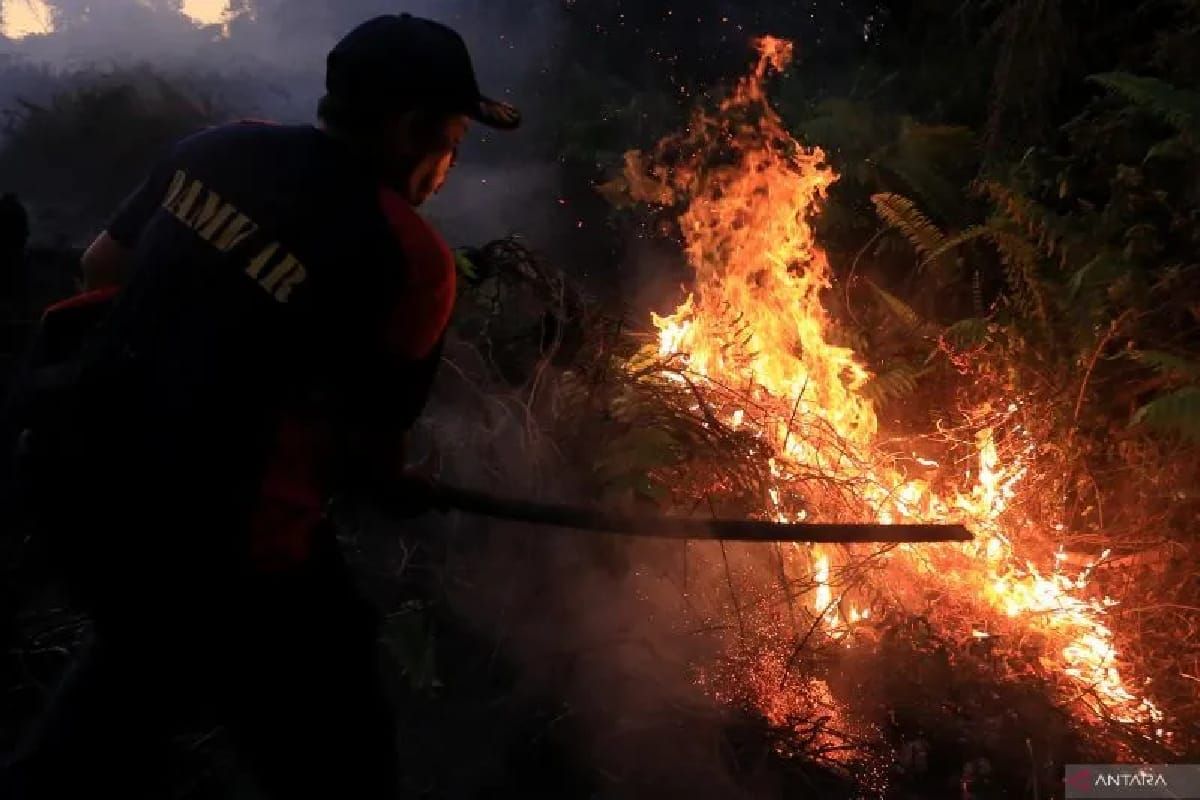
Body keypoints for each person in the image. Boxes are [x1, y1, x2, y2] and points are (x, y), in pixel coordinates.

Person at [1, 13, 519, 799]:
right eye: (453, 135)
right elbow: (370, 453)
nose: (451, 161)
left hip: (82, 481)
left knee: (126, 685)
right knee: (336, 752)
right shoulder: (410, 258)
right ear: (412, 128)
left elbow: (100, 265)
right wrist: (398, 481)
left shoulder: (219, 147)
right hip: (230, 549)